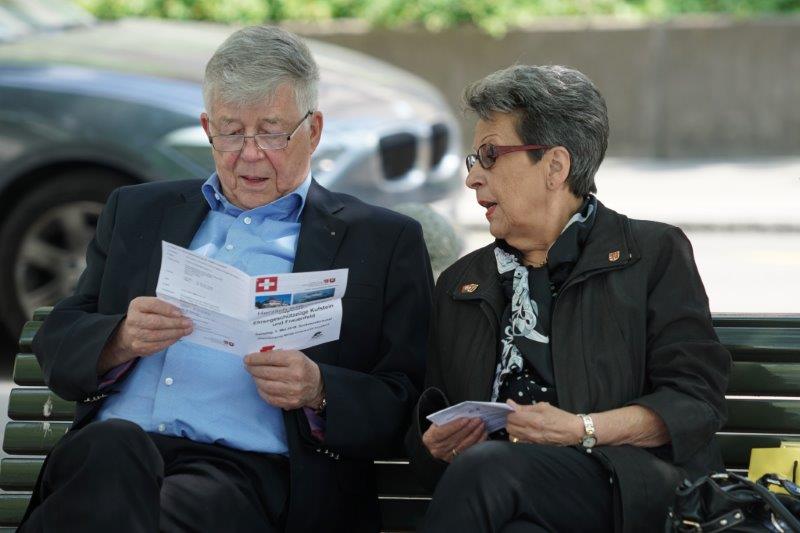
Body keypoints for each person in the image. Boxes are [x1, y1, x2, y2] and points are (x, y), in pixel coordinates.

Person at [23, 26, 432, 533]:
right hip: (104, 460)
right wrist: (119, 341)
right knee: (115, 447)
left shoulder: (381, 240)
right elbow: (59, 339)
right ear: (206, 127)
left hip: (243, 476)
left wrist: (320, 390)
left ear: (315, 129)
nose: (251, 153)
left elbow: (406, 400)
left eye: (273, 131)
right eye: (231, 131)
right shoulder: (138, 212)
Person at [405, 65, 731, 532]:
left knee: (491, 469)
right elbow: (429, 438)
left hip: (632, 489)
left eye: (490, 155)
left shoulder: (651, 254)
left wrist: (581, 429)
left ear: (556, 166)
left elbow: (694, 402)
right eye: (472, 159)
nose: (473, 177)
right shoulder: (463, 282)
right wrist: (435, 444)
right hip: (508, 497)